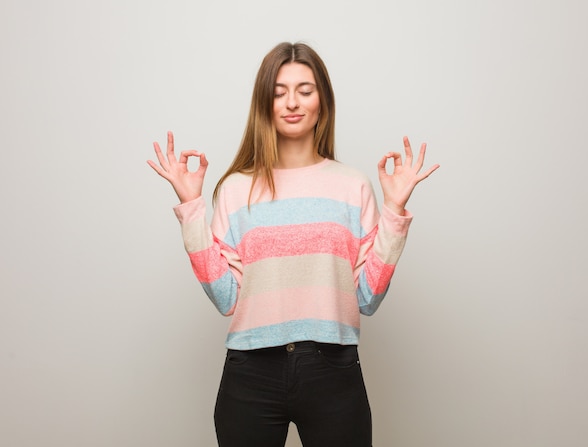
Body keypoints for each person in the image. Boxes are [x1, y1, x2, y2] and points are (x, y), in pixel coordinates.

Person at [147, 42, 439, 447]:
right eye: (279, 91)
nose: (292, 102)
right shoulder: (235, 189)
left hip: (333, 371)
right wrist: (191, 207)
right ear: (264, 103)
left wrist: (394, 209)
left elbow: (368, 298)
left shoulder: (351, 186)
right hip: (250, 373)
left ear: (323, 100)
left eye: (305, 90)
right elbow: (225, 297)